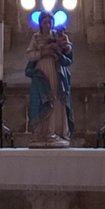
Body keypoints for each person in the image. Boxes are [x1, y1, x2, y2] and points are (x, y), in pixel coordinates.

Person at [25, 12, 74, 144]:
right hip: (42, 73)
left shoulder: (58, 36)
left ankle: (56, 131)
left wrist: (62, 49)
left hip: (56, 70)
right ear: (40, 24)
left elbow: (68, 51)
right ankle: (42, 132)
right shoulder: (36, 37)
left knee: (57, 99)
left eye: (50, 22)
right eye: (45, 22)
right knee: (44, 100)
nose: (48, 25)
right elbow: (30, 55)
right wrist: (43, 52)